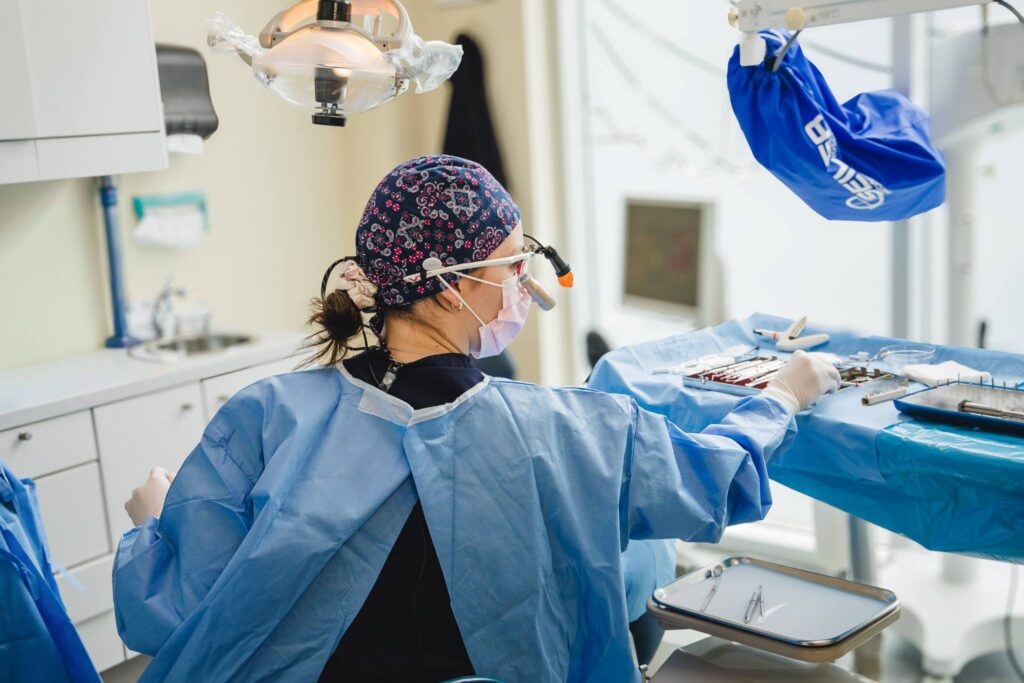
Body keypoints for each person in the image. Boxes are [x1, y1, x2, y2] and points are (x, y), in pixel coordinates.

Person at [113, 155, 840, 683]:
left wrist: (156, 523)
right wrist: (783, 393)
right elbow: (717, 478)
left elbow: (181, 619)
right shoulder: (576, 430)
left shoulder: (265, 416)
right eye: (511, 262)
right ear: (443, 287)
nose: (523, 281)